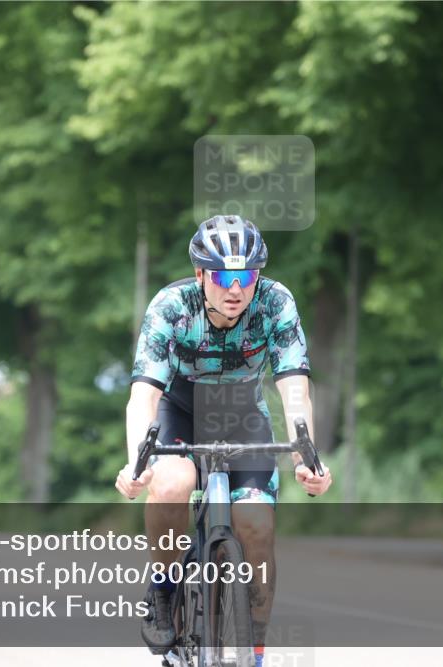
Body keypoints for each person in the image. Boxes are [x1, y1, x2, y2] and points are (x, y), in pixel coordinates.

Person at [115, 215, 333, 665]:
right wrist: (137, 464)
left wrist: (306, 454)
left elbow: (294, 387)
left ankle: (253, 649)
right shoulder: (172, 305)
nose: (236, 289)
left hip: (242, 415)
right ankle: (164, 584)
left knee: (256, 525)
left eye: (247, 276)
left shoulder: (275, 303)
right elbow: (144, 396)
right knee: (172, 484)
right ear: (200, 274)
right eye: (223, 277)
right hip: (180, 411)